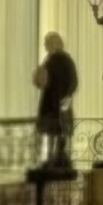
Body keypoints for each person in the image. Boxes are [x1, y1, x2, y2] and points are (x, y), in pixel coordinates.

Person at [33, 32, 79, 169]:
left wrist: (68, 96)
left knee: (57, 131)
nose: (44, 46)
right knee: (54, 131)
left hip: (56, 101)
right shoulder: (52, 59)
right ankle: (52, 158)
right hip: (54, 101)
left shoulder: (61, 60)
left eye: (46, 43)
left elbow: (72, 80)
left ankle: (58, 158)